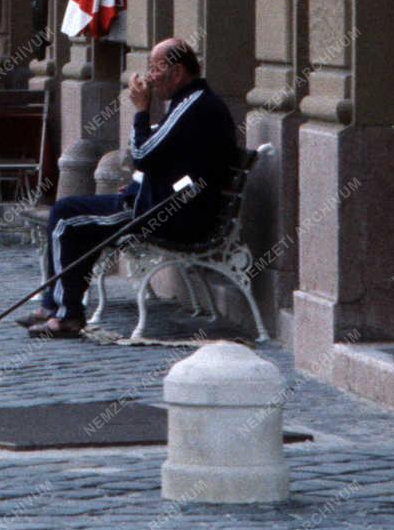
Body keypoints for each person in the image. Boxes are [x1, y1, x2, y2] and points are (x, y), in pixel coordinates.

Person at [24, 38, 238, 339]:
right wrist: (140, 182)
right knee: (77, 216)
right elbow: (167, 161)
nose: (149, 77)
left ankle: (62, 313)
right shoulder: (191, 103)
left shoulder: (192, 105)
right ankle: (59, 308)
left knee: (65, 216)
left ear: (176, 73)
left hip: (167, 216)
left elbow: (142, 155)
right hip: (163, 206)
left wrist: (141, 111)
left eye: (154, 69)